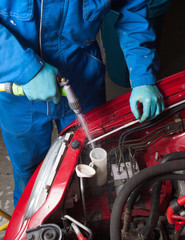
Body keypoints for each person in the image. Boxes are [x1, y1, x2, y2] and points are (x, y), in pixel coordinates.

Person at [0, 0, 164, 206]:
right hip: (19, 93)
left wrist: (142, 77)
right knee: (30, 171)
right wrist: (25, 68)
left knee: (91, 160)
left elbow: (133, 9)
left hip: (83, 80)